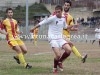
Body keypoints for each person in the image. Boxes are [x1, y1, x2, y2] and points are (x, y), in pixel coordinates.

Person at [30, 5, 78, 73]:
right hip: (52, 38)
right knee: (58, 55)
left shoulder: (63, 18)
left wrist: (73, 26)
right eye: (56, 12)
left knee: (69, 50)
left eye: (58, 12)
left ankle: (60, 61)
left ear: (61, 11)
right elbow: (41, 23)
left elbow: (65, 27)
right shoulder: (52, 18)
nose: (57, 13)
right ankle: (55, 68)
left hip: (60, 38)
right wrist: (33, 28)